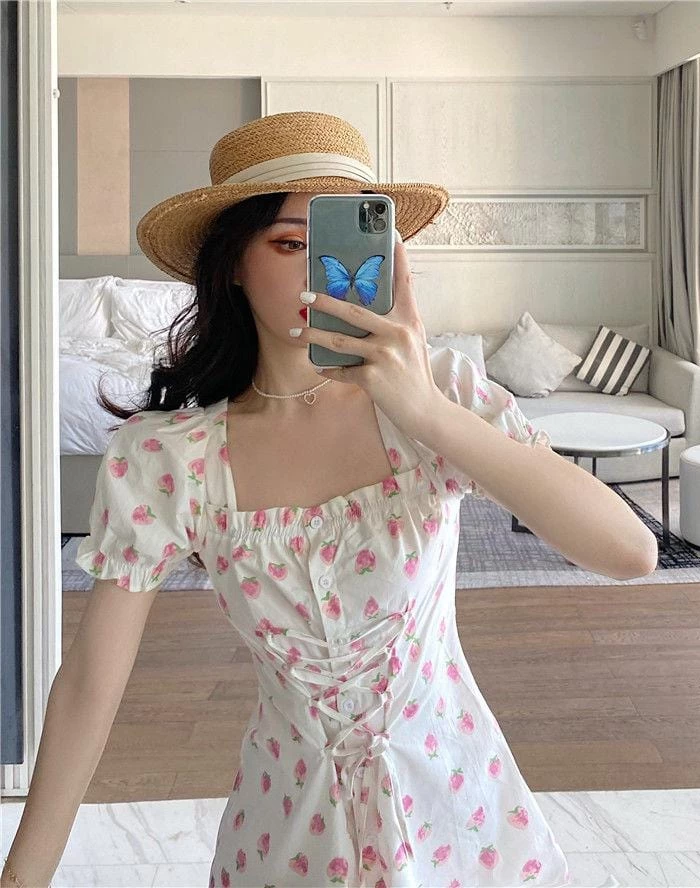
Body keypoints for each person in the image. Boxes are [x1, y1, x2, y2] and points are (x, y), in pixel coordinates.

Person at [3, 111, 657, 888]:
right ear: (234, 263)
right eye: (290, 244)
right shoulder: (170, 460)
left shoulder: (440, 399)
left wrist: (425, 411)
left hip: (460, 823)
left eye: (347, 243)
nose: (324, 274)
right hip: (286, 836)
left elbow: (630, 551)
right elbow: (88, 684)